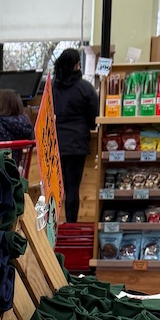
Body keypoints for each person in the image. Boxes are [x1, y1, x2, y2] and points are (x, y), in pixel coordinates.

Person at [51, 48, 98, 225]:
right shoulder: (85, 88)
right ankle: (71, 224)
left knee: (54, 188)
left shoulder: (52, 88)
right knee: (72, 189)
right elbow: (94, 118)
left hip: (56, 144)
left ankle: (51, 225)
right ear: (77, 64)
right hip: (77, 144)